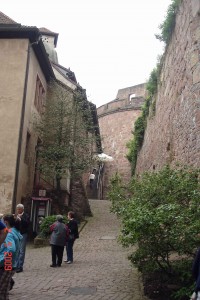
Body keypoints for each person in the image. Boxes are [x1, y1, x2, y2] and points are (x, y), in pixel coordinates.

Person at [0, 214, 22, 300]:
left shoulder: (9, 234)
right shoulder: (15, 231)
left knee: (2, 291)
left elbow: (11, 249)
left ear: (5, 222)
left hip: (6, 265)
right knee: (4, 291)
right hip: (9, 265)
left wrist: (2, 260)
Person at [15, 204, 30, 273]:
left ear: (22, 209)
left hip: (23, 234)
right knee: (17, 250)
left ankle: (20, 266)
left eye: (19, 209)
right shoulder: (16, 216)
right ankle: (16, 265)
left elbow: (27, 223)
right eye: (17, 209)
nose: (18, 210)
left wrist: (20, 219)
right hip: (17, 234)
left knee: (22, 251)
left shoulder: (26, 215)